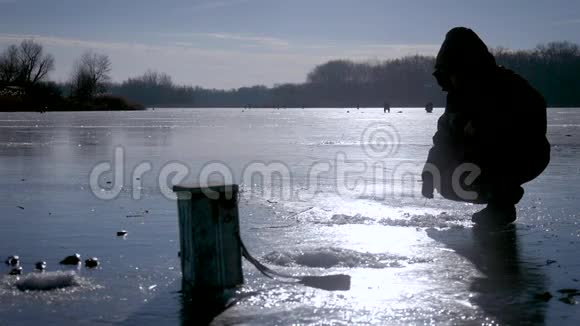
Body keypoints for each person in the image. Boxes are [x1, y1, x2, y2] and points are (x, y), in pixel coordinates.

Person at [421, 27, 550, 227]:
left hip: (524, 153)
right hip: (480, 158)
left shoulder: (507, 85)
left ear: (467, 67)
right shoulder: (457, 98)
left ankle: (502, 200)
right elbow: (443, 140)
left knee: (480, 164)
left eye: (454, 72)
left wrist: (488, 127)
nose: (450, 80)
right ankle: (497, 199)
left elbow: (534, 113)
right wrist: (430, 172)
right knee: (444, 181)